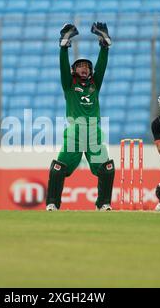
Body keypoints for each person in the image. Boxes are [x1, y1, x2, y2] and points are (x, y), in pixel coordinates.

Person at [45, 22, 115, 211]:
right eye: (80, 66)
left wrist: (104, 47)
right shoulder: (69, 85)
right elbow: (62, 66)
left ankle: (104, 204)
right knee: (59, 168)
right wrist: (64, 48)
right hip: (75, 131)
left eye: (86, 66)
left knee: (106, 169)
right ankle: (52, 204)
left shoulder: (95, 85)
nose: (84, 68)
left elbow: (102, 66)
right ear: (74, 71)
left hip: (94, 131)